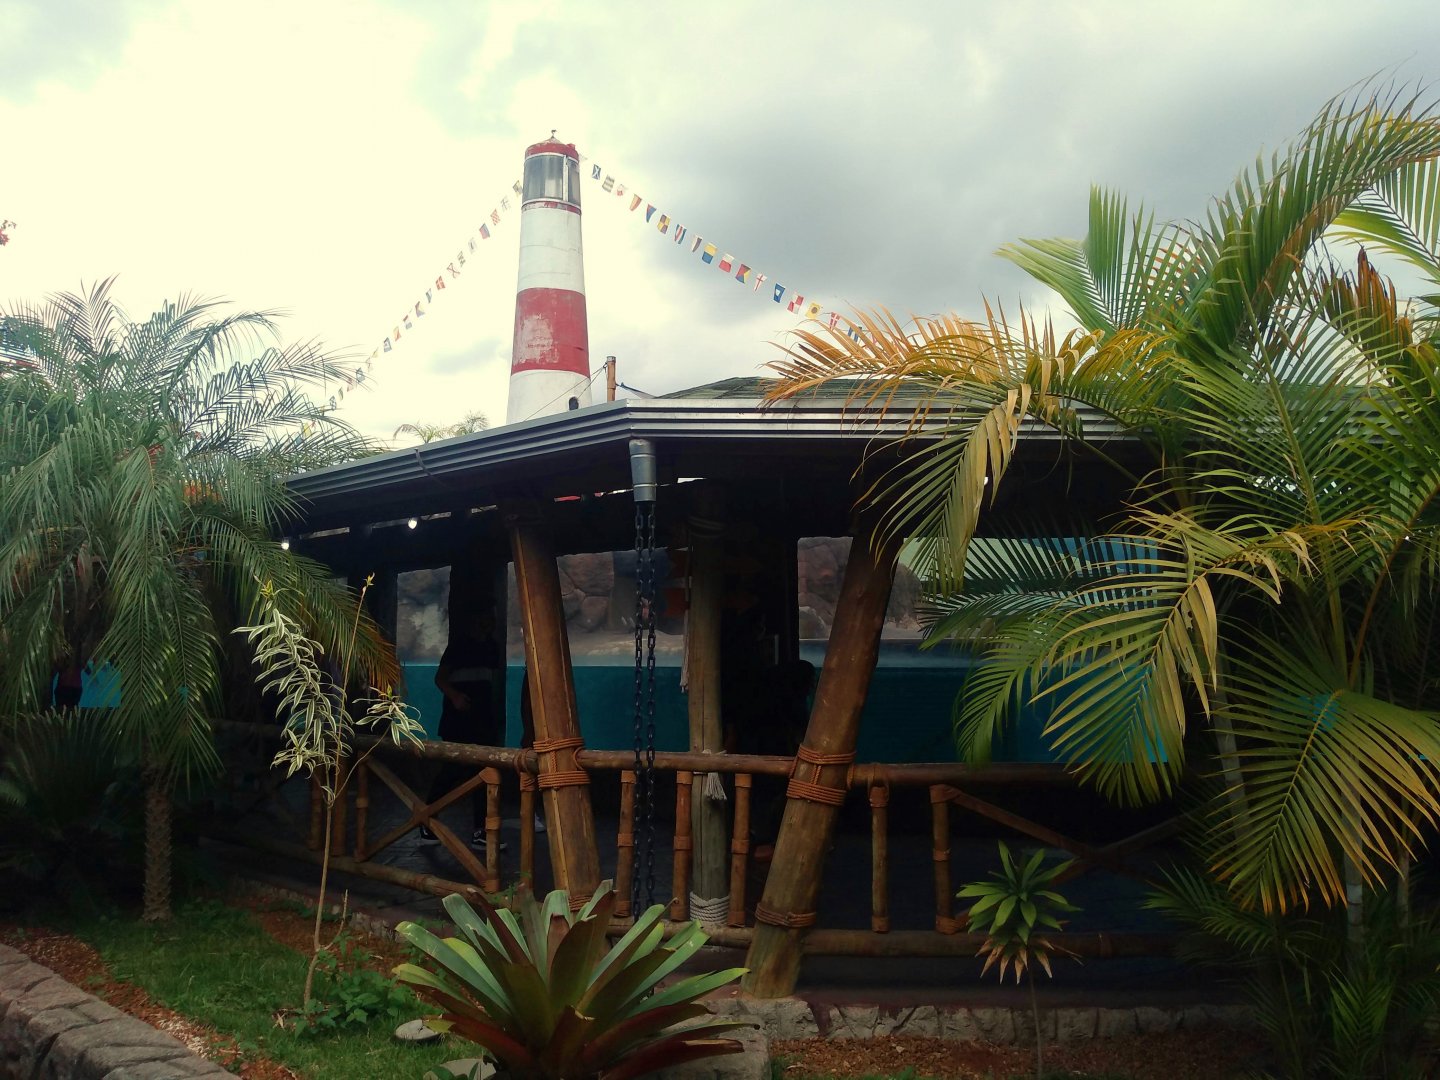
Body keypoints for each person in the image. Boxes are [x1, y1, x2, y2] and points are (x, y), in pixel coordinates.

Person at [422, 607, 505, 848]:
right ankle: (426, 820)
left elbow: (491, 683)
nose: (488, 622)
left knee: (485, 773)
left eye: (491, 618)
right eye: (484, 617)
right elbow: (440, 678)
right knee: (450, 771)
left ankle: (481, 831)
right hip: (458, 722)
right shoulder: (458, 646)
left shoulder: (492, 647)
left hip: (483, 721)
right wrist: (456, 697)